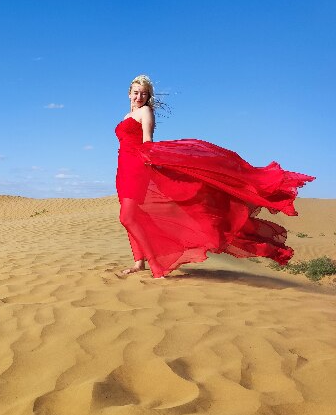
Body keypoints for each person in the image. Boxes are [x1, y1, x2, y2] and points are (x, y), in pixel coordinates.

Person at [115, 74, 315, 278]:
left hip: (137, 168)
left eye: (144, 94)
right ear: (129, 93)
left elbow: (147, 141)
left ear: (148, 96)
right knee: (134, 216)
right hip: (123, 169)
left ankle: (158, 264)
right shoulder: (126, 116)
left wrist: (162, 161)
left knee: (127, 217)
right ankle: (139, 263)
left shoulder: (146, 112)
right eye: (136, 93)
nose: (139, 96)